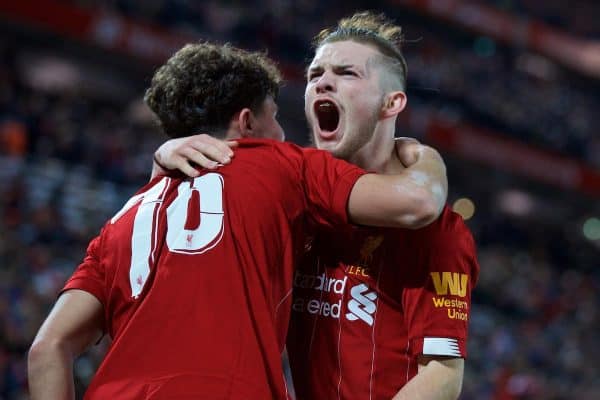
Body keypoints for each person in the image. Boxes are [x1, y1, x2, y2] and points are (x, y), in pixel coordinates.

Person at [27, 42, 448, 400]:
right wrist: (422, 155)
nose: (283, 132)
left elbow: (48, 348)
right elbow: (417, 203)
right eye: (275, 117)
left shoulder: (125, 215)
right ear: (247, 123)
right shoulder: (283, 164)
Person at [153, 12, 479, 400]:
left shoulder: (435, 230)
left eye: (347, 73)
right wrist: (164, 154)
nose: (323, 82)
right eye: (314, 75)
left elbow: (442, 375)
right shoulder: (292, 198)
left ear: (391, 103)